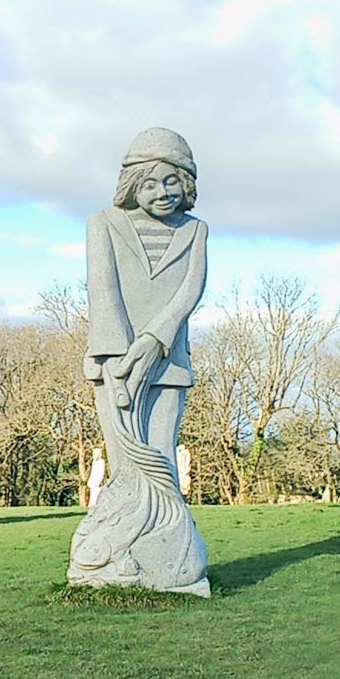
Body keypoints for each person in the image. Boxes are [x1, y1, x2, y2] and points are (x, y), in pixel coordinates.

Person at [83, 127, 207, 478]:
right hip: (116, 363)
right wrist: (118, 355)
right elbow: (102, 290)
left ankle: (166, 512)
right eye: (150, 184)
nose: (162, 193)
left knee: (161, 455)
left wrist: (155, 339)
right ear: (133, 185)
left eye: (171, 182)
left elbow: (192, 288)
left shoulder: (195, 230)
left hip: (169, 359)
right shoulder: (104, 223)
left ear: (186, 184)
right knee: (124, 457)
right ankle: (123, 508)